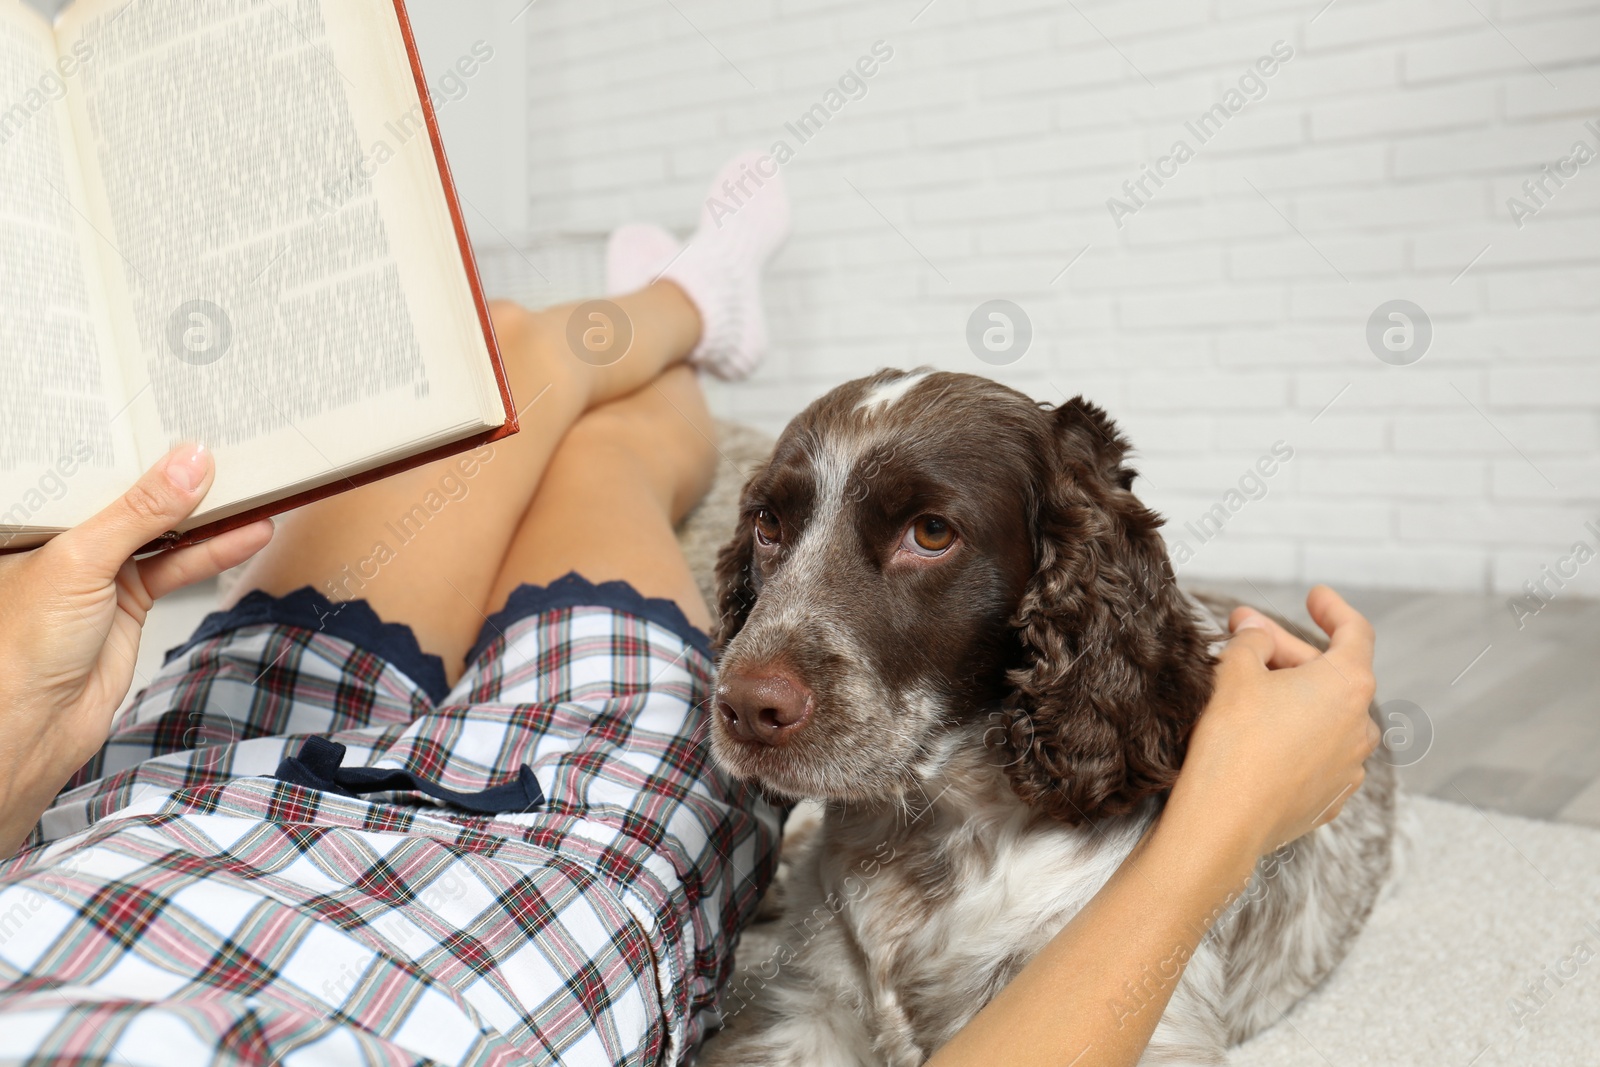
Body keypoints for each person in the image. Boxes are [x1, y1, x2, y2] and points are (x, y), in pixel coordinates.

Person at [0, 155, 1378, 1066]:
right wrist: (1222, 822)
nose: (761, 660)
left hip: (163, 799)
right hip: (525, 863)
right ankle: (694, 308)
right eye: (775, 537)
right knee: (601, 453)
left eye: (924, 531)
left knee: (504, 353)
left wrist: (21, 740)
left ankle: (677, 302)